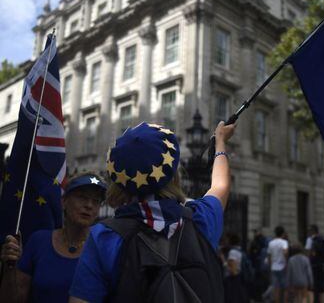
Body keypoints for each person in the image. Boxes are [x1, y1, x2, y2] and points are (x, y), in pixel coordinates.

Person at [69, 121, 236, 303]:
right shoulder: (199, 219)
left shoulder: (104, 236)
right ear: (173, 174)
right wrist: (220, 142)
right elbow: (221, 186)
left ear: (119, 181)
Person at [0, 173, 106, 303]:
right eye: (82, 197)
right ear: (64, 201)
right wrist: (10, 267)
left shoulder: (104, 248)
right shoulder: (39, 242)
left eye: (96, 201)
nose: (89, 205)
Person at [305, 225, 324, 303]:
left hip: (314, 266)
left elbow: (309, 253)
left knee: (312, 287)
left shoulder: (310, 240)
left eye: (309, 231)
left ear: (312, 231)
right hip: (323, 266)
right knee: (322, 290)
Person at [224, 233, 249, 303]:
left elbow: (233, 270)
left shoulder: (232, 252)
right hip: (239, 277)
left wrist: (224, 262)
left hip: (233, 280)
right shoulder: (240, 251)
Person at [267, 225, 289, 303]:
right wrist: (286, 262)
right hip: (282, 267)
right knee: (285, 288)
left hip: (274, 267)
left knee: (276, 288)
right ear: (282, 234)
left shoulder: (271, 243)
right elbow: (285, 252)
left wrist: (270, 266)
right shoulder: (284, 242)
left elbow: (269, 256)